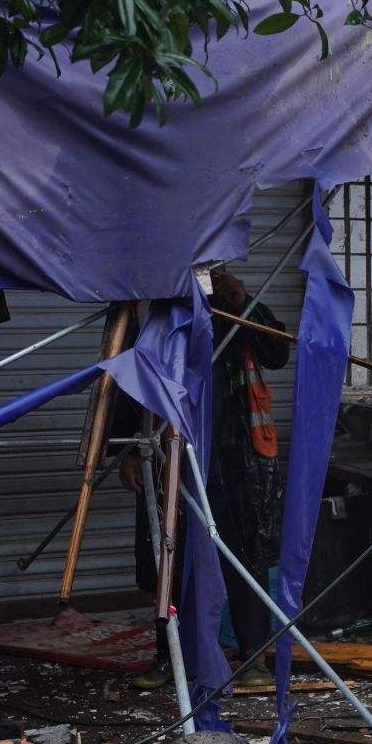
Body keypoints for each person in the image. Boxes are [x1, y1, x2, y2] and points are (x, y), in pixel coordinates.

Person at [118, 266, 289, 690]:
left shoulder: (231, 309)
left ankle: (253, 656)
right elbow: (123, 381)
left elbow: (277, 353)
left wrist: (239, 299)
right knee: (166, 556)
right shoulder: (147, 307)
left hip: (232, 458)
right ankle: (169, 656)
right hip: (165, 451)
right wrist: (124, 451)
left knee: (241, 555)